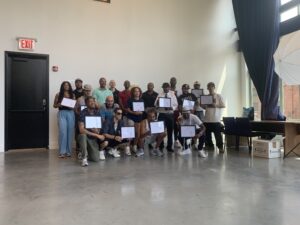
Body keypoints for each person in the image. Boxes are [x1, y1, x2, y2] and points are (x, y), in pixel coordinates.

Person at [78, 96, 108, 166]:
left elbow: (99, 128)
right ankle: (84, 158)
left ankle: (85, 151)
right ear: (86, 103)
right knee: (82, 135)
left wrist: (97, 131)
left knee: (96, 159)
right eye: (90, 101)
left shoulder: (97, 112)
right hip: (85, 137)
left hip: (92, 139)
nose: (93, 103)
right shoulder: (83, 113)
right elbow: (81, 130)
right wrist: (97, 135)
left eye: (94, 101)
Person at [53, 81, 75, 158]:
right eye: (65, 85)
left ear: (69, 86)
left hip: (70, 113)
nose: (66, 86)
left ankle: (68, 152)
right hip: (62, 113)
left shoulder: (73, 95)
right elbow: (54, 105)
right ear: (62, 86)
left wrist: (70, 106)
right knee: (63, 132)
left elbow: (73, 106)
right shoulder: (58, 94)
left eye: (67, 85)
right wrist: (59, 104)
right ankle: (62, 152)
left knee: (70, 132)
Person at [202, 82, 225, 153]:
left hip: (215, 119)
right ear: (207, 88)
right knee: (207, 134)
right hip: (207, 119)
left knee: (217, 135)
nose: (210, 89)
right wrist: (201, 105)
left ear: (214, 87)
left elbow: (223, 105)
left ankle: (220, 147)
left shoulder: (218, 96)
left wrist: (216, 105)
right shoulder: (206, 97)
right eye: (209, 87)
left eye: (211, 87)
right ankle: (210, 146)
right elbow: (204, 107)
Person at [155, 82, 178, 153]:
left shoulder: (172, 94)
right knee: (160, 131)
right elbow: (155, 104)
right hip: (162, 114)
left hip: (170, 114)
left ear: (169, 87)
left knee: (170, 131)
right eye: (164, 87)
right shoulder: (160, 94)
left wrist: (172, 108)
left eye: (167, 87)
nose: (165, 88)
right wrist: (158, 103)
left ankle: (169, 146)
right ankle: (160, 145)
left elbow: (176, 105)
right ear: (162, 88)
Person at [126, 86, 145, 156]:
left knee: (137, 133)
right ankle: (127, 147)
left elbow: (142, 110)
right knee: (130, 133)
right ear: (133, 92)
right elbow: (127, 109)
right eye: (135, 91)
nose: (137, 93)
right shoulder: (130, 100)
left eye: (138, 91)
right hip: (131, 117)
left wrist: (141, 112)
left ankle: (134, 146)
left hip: (139, 119)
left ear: (140, 93)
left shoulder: (142, 100)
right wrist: (134, 113)